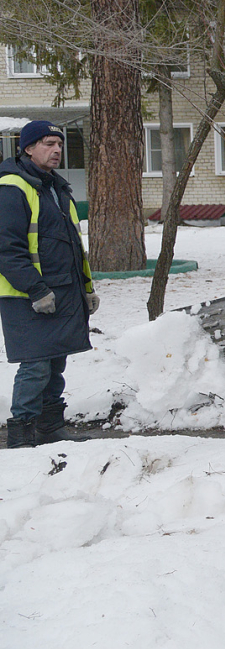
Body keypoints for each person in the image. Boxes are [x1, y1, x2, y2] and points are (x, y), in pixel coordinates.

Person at [0, 121, 96, 448]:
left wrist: (86, 287)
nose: (56, 150)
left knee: (56, 362)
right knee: (36, 366)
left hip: (62, 293)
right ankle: (21, 435)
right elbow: (6, 248)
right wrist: (37, 290)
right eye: (47, 143)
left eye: (59, 144)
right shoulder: (13, 187)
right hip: (27, 296)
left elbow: (71, 244)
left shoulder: (57, 188)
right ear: (28, 148)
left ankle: (50, 428)